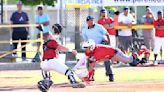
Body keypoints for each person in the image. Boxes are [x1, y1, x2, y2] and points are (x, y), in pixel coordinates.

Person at [37, 25, 85, 92]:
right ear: (48, 37)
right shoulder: (52, 42)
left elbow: (52, 40)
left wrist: (56, 34)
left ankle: (45, 84)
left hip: (43, 64)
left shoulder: (44, 44)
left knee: (47, 79)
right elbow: (60, 47)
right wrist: (71, 50)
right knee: (69, 72)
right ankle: (74, 83)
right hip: (52, 62)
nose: (52, 35)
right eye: (51, 35)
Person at [75, 39, 148, 82]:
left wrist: (86, 73)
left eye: (87, 48)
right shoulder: (89, 51)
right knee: (91, 63)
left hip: (115, 53)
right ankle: (89, 77)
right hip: (108, 56)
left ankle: (142, 50)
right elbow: (85, 59)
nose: (85, 49)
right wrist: (75, 68)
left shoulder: (98, 51)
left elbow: (94, 62)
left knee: (128, 60)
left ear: (91, 47)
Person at [82, 15, 114, 82]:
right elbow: (86, 40)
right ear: (87, 22)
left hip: (101, 45)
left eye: (92, 20)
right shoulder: (84, 30)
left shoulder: (99, 27)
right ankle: (91, 76)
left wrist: (109, 44)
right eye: (89, 20)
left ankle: (110, 74)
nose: (91, 21)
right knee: (89, 62)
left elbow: (107, 34)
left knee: (107, 59)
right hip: (92, 48)